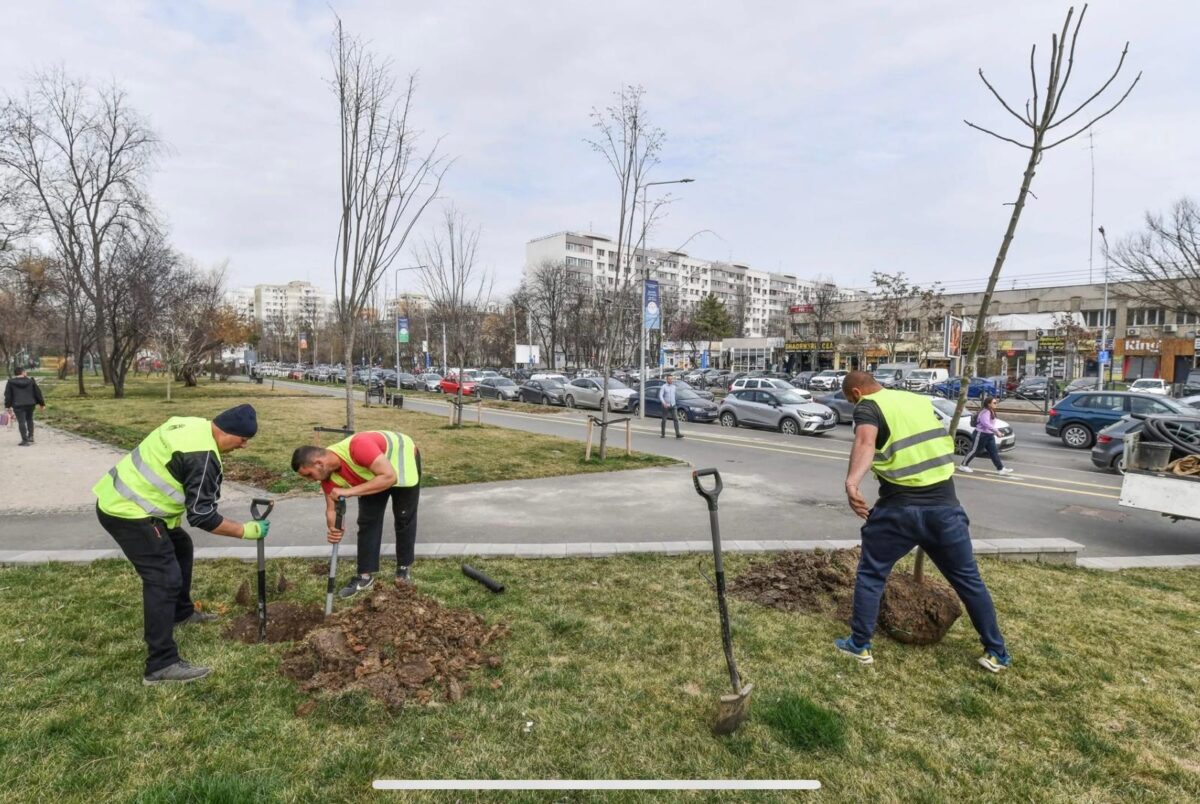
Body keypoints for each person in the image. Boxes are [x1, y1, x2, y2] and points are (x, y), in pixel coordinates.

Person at [835, 371, 1011, 673]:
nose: (854, 407)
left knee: (872, 574)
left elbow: (865, 441)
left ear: (856, 393)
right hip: (945, 508)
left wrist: (852, 482)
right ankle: (997, 652)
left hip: (898, 510)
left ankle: (859, 645)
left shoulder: (869, 405)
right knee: (969, 581)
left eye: (851, 402)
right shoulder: (916, 401)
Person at [92, 404, 268, 685]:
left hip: (123, 499)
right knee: (164, 578)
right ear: (226, 431)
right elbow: (202, 516)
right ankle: (160, 664)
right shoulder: (203, 457)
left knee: (181, 546)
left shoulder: (190, 424)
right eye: (243, 439)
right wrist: (245, 530)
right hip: (129, 513)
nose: (244, 446)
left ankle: (181, 613)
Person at [290, 430, 421, 597]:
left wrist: (349, 491)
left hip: (402, 458)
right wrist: (334, 528)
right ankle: (364, 576)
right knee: (368, 521)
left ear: (319, 463)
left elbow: (389, 477)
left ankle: (403, 568)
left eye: (309, 475)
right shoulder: (327, 476)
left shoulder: (358, 447)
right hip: (375, 471)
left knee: (403, 517)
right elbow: (331, 509)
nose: (311, 480)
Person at [959, 396, 1013, 475]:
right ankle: (963, 465)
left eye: (996, 402)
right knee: (974, 450)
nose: (996, 404)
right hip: (981, 434)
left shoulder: (991, 411)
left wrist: (995, 432)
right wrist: (997, 432)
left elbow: (990, 424)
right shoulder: (985, 412)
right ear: (988, 404)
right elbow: (986, 424)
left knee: (994, 452)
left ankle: (1000, 469)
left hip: (989, 435)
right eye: (994, 403)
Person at [4, 366, 46, 446]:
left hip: (18, 405)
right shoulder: (31, 381)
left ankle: (25, 440)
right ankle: (31, 437)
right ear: (22, 372)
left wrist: (7, 406)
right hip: (30, 404)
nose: (26, 373)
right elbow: (37, 393)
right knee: (29, 419)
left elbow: (8, 395)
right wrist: (42, 404)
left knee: (21, 421)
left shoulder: (10, 382)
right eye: (25, 372)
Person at [659, 374, 682, 439]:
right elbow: (660, 395)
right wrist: (664, 403)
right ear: (667, 379)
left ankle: (677, 434)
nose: (670, 380)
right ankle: (663, 434)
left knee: (676, 419)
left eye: (671, 379)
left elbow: (674, 395)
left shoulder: (674, 387)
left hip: (673, 405)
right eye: (669, 379)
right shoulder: (663, 387)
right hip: (666, 406)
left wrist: (675, 402)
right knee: (664, 420)